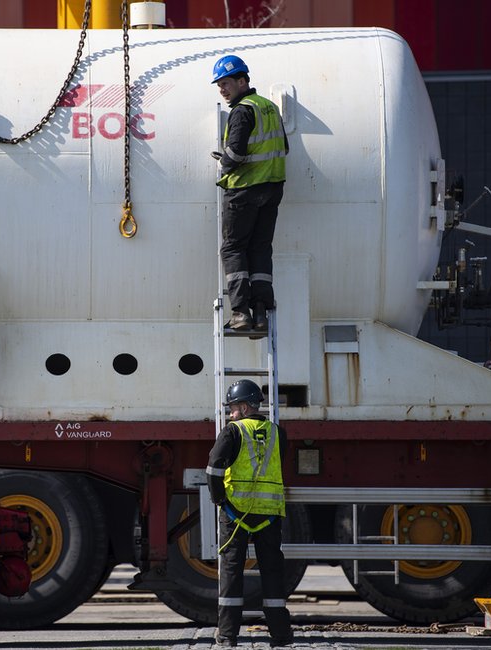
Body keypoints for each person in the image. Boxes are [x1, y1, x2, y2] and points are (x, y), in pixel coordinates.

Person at [206, 379, 293, 647]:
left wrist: (220, 500)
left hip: (236, 514)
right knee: (273, 571)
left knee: (232, 572)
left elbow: (213, 470)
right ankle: (280, 634)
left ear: (244, 407)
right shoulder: (278, 432)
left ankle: (228, 635)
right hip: (269, 514)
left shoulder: (232, 431)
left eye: (233, 407)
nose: (231, 412)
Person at [211, 55, 289, 333]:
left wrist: (223, 162)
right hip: (272, 188)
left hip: (244, 190)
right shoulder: (268, 107)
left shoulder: (242, 110)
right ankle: (260, 313)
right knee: (259, 249)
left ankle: (240, 313)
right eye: (219, 84)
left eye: (227, 83)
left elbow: (236, 152)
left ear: (242, 81)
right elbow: (283, 148)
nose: (222, 89)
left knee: (233, 248)